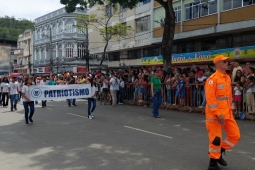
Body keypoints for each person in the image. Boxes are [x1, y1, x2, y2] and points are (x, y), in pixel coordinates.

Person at [205, 55, 241, 170]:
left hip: (227, 113)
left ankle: (219, 151)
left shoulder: (227, 77)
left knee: (235, 136)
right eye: (224, 62)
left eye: (227, 62)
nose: (227, 63)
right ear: (217, 64)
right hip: (215, 115)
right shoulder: (212, 79)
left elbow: (228, 97)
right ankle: (213, 164)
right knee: (216, 139)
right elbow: (210, 99)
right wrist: (217, 113)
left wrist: (232, 108)